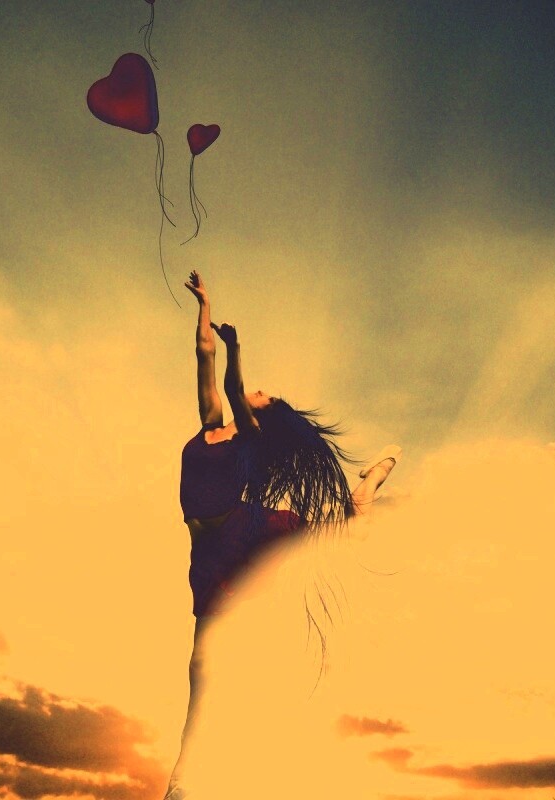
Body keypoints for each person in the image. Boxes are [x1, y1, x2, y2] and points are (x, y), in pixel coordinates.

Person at [165, 270, 401, 799]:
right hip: (208, 553)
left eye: (262, 395)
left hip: (239, 530)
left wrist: (237, 349)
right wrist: (204, 306)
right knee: (198, 671)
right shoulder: (210, 424)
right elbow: (203, 358)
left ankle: (370, 483)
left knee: (343, 532)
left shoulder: (249, 436)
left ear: (262, 415)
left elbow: (231, 383)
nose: (255, 391)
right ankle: (184, 778)